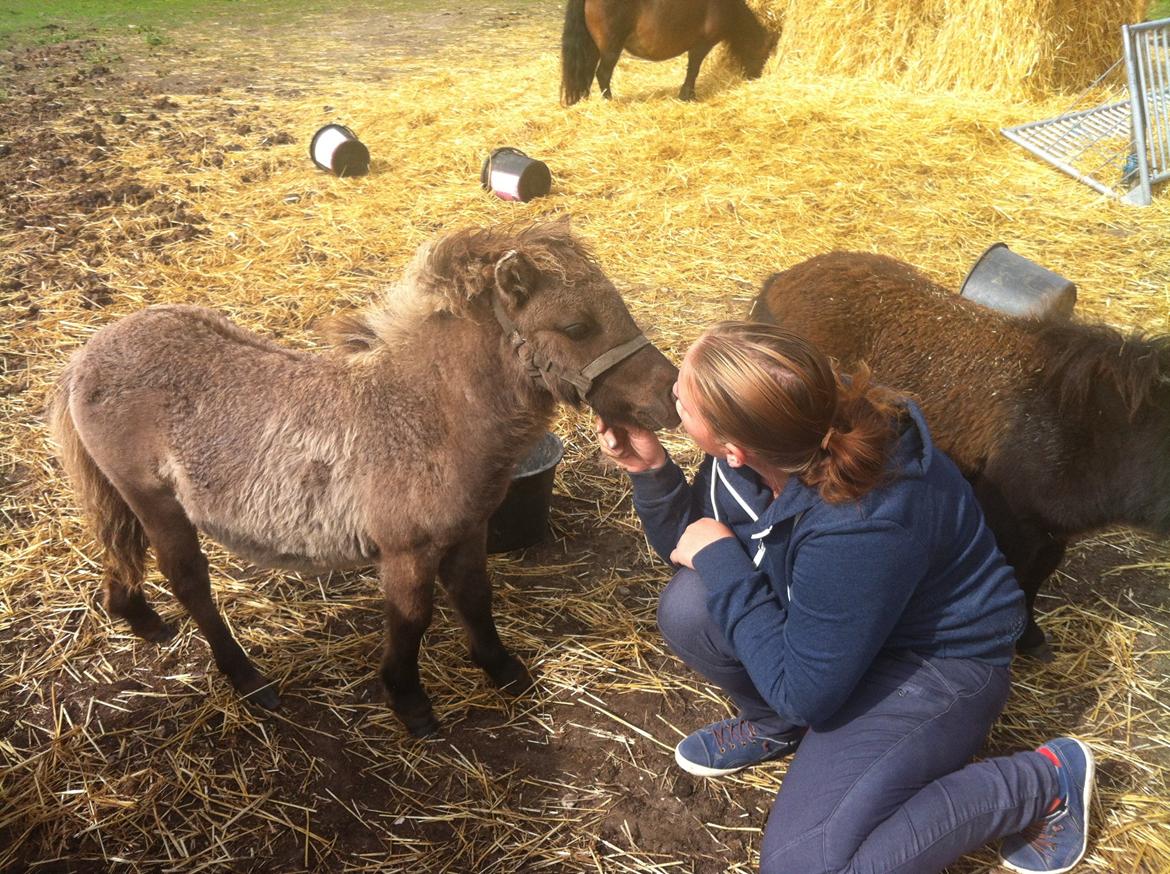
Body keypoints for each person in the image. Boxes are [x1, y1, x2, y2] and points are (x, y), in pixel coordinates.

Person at [595, 321, 1095, 874]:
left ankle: (1045, 781)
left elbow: (807, 692)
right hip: (840, 622)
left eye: (680, 403)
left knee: (807, 867)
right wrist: (652, 473)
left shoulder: (862, 522)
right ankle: (774, 726)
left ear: (733, 447)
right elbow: (694, 547)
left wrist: (726, 564)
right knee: (689, 607)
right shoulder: (785, 432)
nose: (671, 404)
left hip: (935, 662)